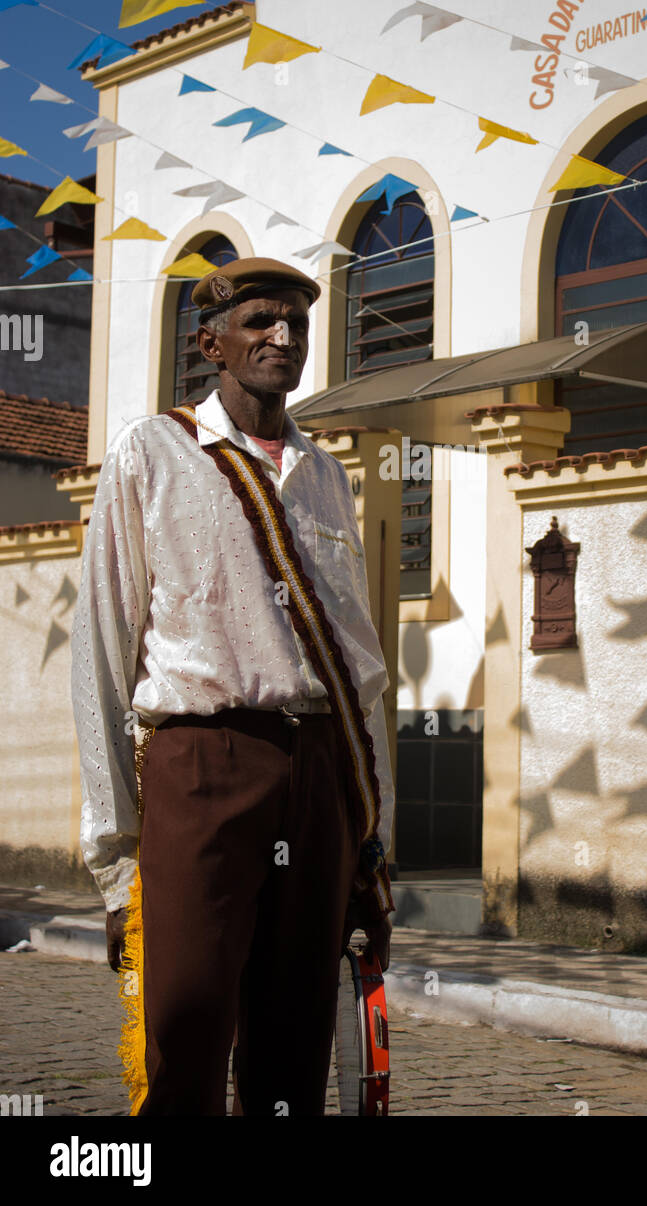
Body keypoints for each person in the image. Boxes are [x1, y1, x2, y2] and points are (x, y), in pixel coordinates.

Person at [70, 256, 394, 1117]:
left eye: (295, 322)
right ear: (210, 341)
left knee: (294, 1043)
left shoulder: (324, 474)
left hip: (319, 772)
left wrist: (372, 838)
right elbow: (102, 649)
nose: (281, 337)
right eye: (259, 321)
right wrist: (115, 861)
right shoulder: (152, 452)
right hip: (201, 766)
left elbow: (359, 667)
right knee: (186, 1026)